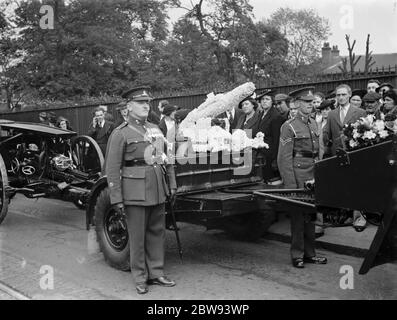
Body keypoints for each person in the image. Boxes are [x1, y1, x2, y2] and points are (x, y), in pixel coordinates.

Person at [105, 86, 177, 295]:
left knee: (157, 232)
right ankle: (140, 277)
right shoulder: (121, 133)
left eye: (147, 103)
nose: (146, 106)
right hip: (134, 191)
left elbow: (167, 158)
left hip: (157, 187)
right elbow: (112, 168)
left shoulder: (155, 128)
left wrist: (171, 183)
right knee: (137, 237)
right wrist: (116, 198)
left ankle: (156, 272)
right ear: (129, 107)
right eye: (141, 103)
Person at [277, 86, 327, 268]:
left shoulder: (314, 123)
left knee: (311, 216)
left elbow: (318, 152)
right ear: (297, 104)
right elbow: (284, 158)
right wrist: (290, 185)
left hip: (312, 175)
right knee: (298, 217)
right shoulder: (288, 126)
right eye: (306, 102)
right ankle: (297, 254)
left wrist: (319, 174)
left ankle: (310, 253)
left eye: (311, 102)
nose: (310, 105)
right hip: (298, 177)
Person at [323, 84, 366, 156]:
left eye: (343, 94)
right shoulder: (331, 114)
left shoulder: (360, 112)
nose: (341, 97)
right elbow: (327, 135)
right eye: (338, 95)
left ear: (350, 94)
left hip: (355, 152)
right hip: (336, 153)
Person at [256, 89, 284, 182]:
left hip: (271, 156)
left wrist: (275, 160)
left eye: (267, 99)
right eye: (262, 99)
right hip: (262, 154)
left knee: (271, 181)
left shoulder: (276, 116)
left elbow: (277, 140)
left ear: (272, 101)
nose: (264, 101)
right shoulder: (261, 114)